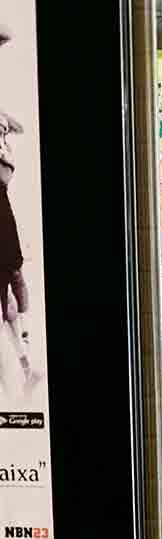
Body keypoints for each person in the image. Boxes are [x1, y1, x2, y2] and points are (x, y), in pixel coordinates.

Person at [0, 108, 40, 396]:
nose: (3, 132)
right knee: (8, 306)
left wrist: (2, 119)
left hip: (6, 228)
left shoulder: (4, 149)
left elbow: (19, 127)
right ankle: (16, 378)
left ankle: (25, 368)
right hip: (2, 233)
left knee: (12, 305)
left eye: (4, 130)